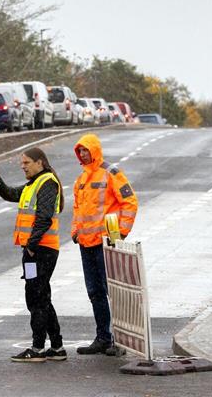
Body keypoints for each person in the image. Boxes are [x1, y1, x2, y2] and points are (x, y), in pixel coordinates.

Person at [0, 147, 65, 363]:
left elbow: (44, 217)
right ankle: (57, 347)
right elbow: (12, 194)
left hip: (41, 250)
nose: (23, 166)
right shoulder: (35, 184)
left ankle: (38, 348)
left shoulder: (47, 182)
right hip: (37, 250)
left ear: (40, 163)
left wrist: (30, 245)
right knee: (41, 297)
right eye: (22, 163)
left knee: (36, 298)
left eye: (26, 163)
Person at [71, 134, 138, 355]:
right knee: (95, 292)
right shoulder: (81, 180)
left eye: (85, 150)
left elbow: (129, 201)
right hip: (86, 244)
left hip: (106, 243)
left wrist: (121, 232)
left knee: (113, 291)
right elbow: (78, 209)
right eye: (79, 150)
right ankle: (103, 338)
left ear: (95, 150)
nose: (82, 154)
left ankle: (120, 341)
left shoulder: (111, 173)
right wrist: (75, 232)